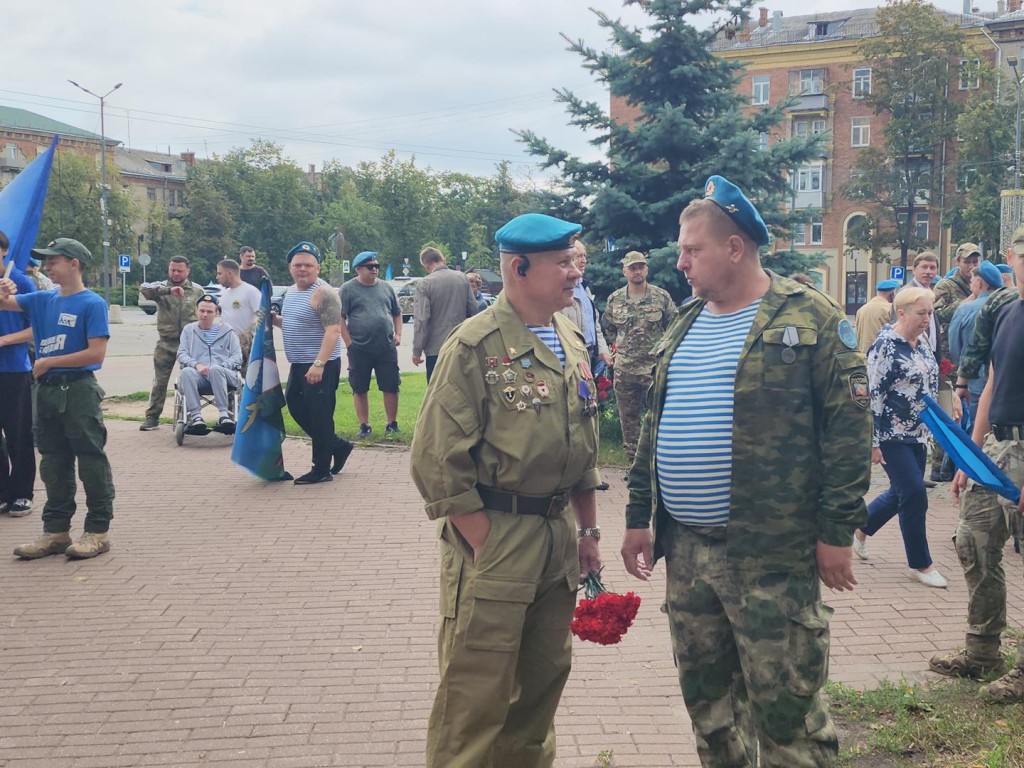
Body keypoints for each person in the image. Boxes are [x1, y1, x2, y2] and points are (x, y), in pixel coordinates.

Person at [620, 176, 872, 767]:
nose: (679, 262)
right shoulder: (683, 325)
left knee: (788, 718)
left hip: (771, 558)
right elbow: (651, 434)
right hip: (687, 555)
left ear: (735, 248)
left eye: (692, 250)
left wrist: (836, 533)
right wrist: (638, 518)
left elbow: (849, 432)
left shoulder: (808, 317)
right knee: (709, 715)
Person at [410, 212, 601, 768]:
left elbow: (583, 446)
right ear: (519, 268)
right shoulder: (474, 345)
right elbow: (434, 459)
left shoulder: (568, 334)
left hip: (558, 537)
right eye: (563, 262)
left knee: (541, 689)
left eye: (574, 260)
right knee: (476, 694)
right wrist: (485, 540)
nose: (575, 273)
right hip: (498, 535)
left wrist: (587, 531)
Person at [930, 237, 1024, 704]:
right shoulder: (1005, 308)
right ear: (1009, 259)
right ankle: (982, 652)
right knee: (973, 539)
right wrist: (971, 455)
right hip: (998, 445)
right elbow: (991, 387)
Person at [0, 238, 115, 560]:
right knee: (53, 462)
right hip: (46, 392)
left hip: (77, 390)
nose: (47, 266)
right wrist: (4, 286)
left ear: (74, 263)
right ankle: (56, 531)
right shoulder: (42, 300)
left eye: (54, 261)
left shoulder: (91, 303)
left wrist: (51, 361)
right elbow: (5, 303)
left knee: (90, 460)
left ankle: (97, 531)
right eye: (46, 261)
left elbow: (97, 353)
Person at [853, 288, 948, 588]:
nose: (926, 319)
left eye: (929, 313)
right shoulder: (885, 345)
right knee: (914, 494)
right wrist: (873, 441)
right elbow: (873, 394)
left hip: (919, 433)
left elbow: (930, 379)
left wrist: (949, 403)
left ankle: (860, 527)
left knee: (901, 492)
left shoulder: (923, 343)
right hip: (891, 434)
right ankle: (920, 564)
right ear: (902, 312)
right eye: (921, 313)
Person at [275, 241, 353, 484]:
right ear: (290, 267)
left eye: (308, 265)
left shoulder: (324, 293)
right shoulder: (290, 292)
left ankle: (321, 469)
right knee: (296, 406)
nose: (303, 269)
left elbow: (332, 331)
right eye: (298, 265)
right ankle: (337, 446)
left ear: (318, 267)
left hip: (321, 364)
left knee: (320, 415)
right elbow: (292, 322)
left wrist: (319, 364)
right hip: (299, 363)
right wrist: (274, 320)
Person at [601, 250, 675, 461]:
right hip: (625, 370)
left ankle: (656, 461)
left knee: (658, 418)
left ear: (646, 269)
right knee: (628, 421)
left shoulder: (661, 297)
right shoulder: (615, 299)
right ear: (625, 271)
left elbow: (673, 326)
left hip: (653, 370)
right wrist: (622, 348)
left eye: (641, 266)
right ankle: (633, 465)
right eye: (632, 267)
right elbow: (609, 328)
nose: (637, 271)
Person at [339, 251, 402, 437]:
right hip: (359, 347)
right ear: (358, 269)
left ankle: (392, 423)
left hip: (385, 346)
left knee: (391, 385)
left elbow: (397, 312)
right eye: (370, 266)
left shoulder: (386, 287)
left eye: (376, 266)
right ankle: (364, 425)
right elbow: (340, 317)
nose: (374, 270)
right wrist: (349, 342)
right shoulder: (348, 289)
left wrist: (398, 334)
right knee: (360, 387)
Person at [138, 256, 205, 430]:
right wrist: (168, 291)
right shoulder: (161, 287)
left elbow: (206, 312)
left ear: (187, 271)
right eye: (172, 270)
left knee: (190, 381)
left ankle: (191, 417)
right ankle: (152, 417)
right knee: (160, 382)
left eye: (179, 270)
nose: (175, 273)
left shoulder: (197, 291)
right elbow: (144, 289)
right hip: (166, 342)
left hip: (190, 344)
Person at [0, 230, 36, 518]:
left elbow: (39, 325)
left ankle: (22, 493)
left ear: (3, 251)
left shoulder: (20, 282)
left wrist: (5, 340)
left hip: (13, 370)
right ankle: (2, 492)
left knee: (18, 434)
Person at [176, 294, 242, 435]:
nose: (205, 315)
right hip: (199, 376)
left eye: (209, 311)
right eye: (202, 311)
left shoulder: (228, 331)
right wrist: (196, 365)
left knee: (216, 370)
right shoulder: (189, 330)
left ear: (217, 312)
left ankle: (224, 415)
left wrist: (222, 366)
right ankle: (196, 417)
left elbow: (237, 356)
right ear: (196, 311)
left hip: (224, 375)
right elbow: (182, 354)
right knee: (186, 372)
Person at [411, 246, 478, 382]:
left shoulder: (424, 284)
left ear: (425, 265)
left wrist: (417, 351)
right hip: (461, 345)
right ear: (443, 259)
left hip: (436, 349)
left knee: (436, 395)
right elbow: (474, 310)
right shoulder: (462, 278)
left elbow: (422, 320)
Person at [948, 261, 1003, 423]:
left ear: (979, 282)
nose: (971, 283)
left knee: (972, 429)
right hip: (1000, 381)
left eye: (972, 280)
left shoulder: (965, 309)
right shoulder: (1009, 307)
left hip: (972, 383)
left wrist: (962, 374)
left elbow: (954, 347)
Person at [559, 240, 612, 372]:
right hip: (572, 356)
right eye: (578, 256)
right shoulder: (562, 290)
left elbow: (595, 325)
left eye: (585, 256)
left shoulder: (584, 288)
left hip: (590, 355)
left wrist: (603, 350)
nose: (583, 261)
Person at [215, 258, 261, 364]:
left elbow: (262, 317)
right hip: (226, 347)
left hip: (244, 348)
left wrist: (248, 336)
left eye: (219, 273)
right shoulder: (225, 293)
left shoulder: (251, 291)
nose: (217, 277)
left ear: (230, 273)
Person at [854, 279, 898, 355]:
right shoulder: (891, 308)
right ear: (892, 293)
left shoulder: (861, 309)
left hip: (864, 354)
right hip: (882, 354)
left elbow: (857, 334)